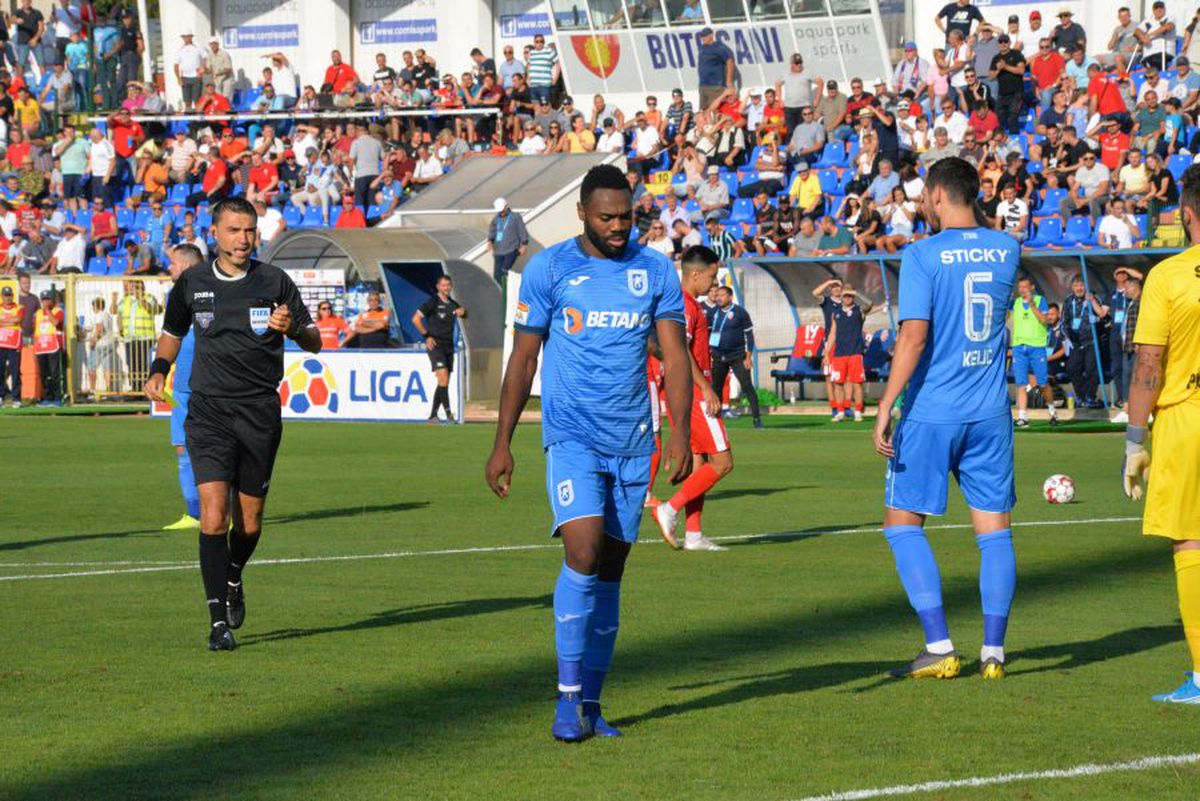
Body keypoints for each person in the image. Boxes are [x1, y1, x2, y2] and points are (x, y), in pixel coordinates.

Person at [484, 164, 692, 742]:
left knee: (611, 572)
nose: (620, 226)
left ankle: (594, 704)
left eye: (627, 216)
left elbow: (674, 358)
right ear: (582, 212)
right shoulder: (549, 269)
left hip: (633, 443)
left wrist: (680, 432)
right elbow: (523, 360)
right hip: (572, 437)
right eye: (608, 217)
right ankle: (566, 699)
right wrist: (502, 442)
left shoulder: (655, 270)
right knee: (583, 550)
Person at [144, 197, 321, 652]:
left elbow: (315, 341)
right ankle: (216, 621)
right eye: (234, 231)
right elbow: (173, 331)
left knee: (250, 524)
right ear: (216, 234)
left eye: (249, 231)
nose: (243, 239)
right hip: (206, 412)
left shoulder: (274, 281)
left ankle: (235, 575)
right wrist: (159, 368)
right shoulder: (193, 283)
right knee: (213, 515)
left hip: (258, 412)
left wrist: (293, 328)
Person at [872, 157, 1020, 681]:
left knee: (902, 525)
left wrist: (887, 404)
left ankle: (939, 645)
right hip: (990, 413)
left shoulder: (922, 254)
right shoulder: (1007, 248)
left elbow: (913, 336)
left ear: (936, 195)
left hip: (934, 411)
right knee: (995, 535)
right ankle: (994, 654)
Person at [1122, 165, 1200, 703]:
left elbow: (1149, 363)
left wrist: (1133, 440)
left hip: (1186, 419)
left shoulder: (1169, 276)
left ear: (1186, 215)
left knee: (1192, 541)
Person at [651, 245, 732, 553]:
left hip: (689, 392)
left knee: (700, 465)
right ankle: (668, 509)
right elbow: (681, 351)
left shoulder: (689, 304)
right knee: (723, 462)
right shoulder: (683, 304)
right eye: (711, 277)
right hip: (695, 393)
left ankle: (694, 535)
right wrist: (707, 388)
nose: (714, 284)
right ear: (695, 274)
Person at [162, 245, 205, 532]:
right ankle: (194, 514)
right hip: (181, 386)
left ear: (187, 266)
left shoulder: (212, 294)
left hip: (210, 385)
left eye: (174, 264)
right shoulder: (174, 296)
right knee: (182, 448)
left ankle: (224, 512)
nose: (170, 268)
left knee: (218, 450)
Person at [412, 275, 467, 424]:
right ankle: (449, 414)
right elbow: (415, 319)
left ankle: (433, 416)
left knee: (444, 382)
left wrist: (463, 311)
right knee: (443, 377)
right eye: (443, 285)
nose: (446, 288)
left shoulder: (452, 304)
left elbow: (462, 312)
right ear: (438, 287)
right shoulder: (433, 302)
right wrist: (427, 336)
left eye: (448, 285)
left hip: (449, 346)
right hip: (435, 345)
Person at [708, 285, 760, 428]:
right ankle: (717, 421)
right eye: (717, 295)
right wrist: (709, 352)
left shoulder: (740, 312)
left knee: (747, 387)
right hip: (718, 357)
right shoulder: (713, 313)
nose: (718, 297)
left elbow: (749, 335)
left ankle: (757, 419)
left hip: (737, 356)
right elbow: (707, 333)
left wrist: (748, 357)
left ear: (730, 297)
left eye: (722, 295)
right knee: (716, 388)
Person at [1009, 277, 1058, 428]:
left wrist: (1031, 305)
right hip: (1019, 347)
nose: (1022, 290)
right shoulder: (1016, 303)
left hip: (1037, 347)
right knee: (1021, 384)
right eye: (1020, 287)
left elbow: (1045, 320)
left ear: (1031, 287)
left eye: (1025, 287)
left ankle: (1052, 410)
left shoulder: (1040, 300)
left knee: (1042, 383)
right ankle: (1023, 417)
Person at [826, 283, 873, 421]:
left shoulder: (859, 310)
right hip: (839, 354)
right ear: (841, 296)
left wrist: (857, 293)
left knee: (857, 383)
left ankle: (858, 410)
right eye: (845, 295)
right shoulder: (836, 313)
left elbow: (869, 304)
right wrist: (827, 353)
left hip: (855, 353)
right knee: (838, 383)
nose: (847, 298)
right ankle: (840, 411)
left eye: (850, 295)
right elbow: (832, 334)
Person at [1060, 274, 1100, 407]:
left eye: (1081, 285)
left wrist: (1096, 319)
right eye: (1076, 285)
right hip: (1075, 341)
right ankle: (1081, 396)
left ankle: (1091, 397)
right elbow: (1064, 321)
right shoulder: (1068, 301)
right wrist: (1067, 336)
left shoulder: (1093, 299)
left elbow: (1102, 317)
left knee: (1091, 370)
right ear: (1072, 287)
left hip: (1091, 341)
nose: (1079, 288)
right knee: (1072, 368)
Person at [487, 197, 528, 286]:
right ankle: (502, 292)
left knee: (503, 271)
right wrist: (490, 241)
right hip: (498, 250)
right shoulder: (496, 218)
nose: (501, 212)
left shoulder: (515, 217)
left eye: (502, 210)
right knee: (497, 275)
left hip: (511, 249)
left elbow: (521, 230)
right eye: (499, 211)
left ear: (506, 206)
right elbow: (492, 230)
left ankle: (506, 292)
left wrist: (524, 245)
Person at [33, 289, 63, 405]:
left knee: (55, 373)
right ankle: (47, 397)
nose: (45, 302)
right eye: (44, 300)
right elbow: (35, 329)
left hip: (53, 346)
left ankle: (57, 397)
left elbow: (56, 323)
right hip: (41, 347)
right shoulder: (37, 314)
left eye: (48, 299)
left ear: (52, 300)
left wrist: (47, 311)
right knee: (44, 374)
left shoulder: (57, 311)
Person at [696, 27, 734, 110]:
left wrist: (729, 81)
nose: (703, 38)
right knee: (704, 110)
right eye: (702, 36)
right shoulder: (702, 47)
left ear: (711, 35)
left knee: (716, 110)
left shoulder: (719, 47)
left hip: (715, 85)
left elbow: (730, 61)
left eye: (705, 36)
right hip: (703, 85)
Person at [0, 284, 22, 406]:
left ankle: (17, 398)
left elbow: (18, 319)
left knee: (15, 372)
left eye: (9, 295)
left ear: (13, 296)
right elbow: (13, 320)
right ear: (2, 296)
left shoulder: (18, 307)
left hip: (14, 344)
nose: (7, 298)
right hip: (1, 344)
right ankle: (1, 396)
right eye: (5, 295)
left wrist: (2, 322)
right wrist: (10, 320)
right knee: (0, 370)